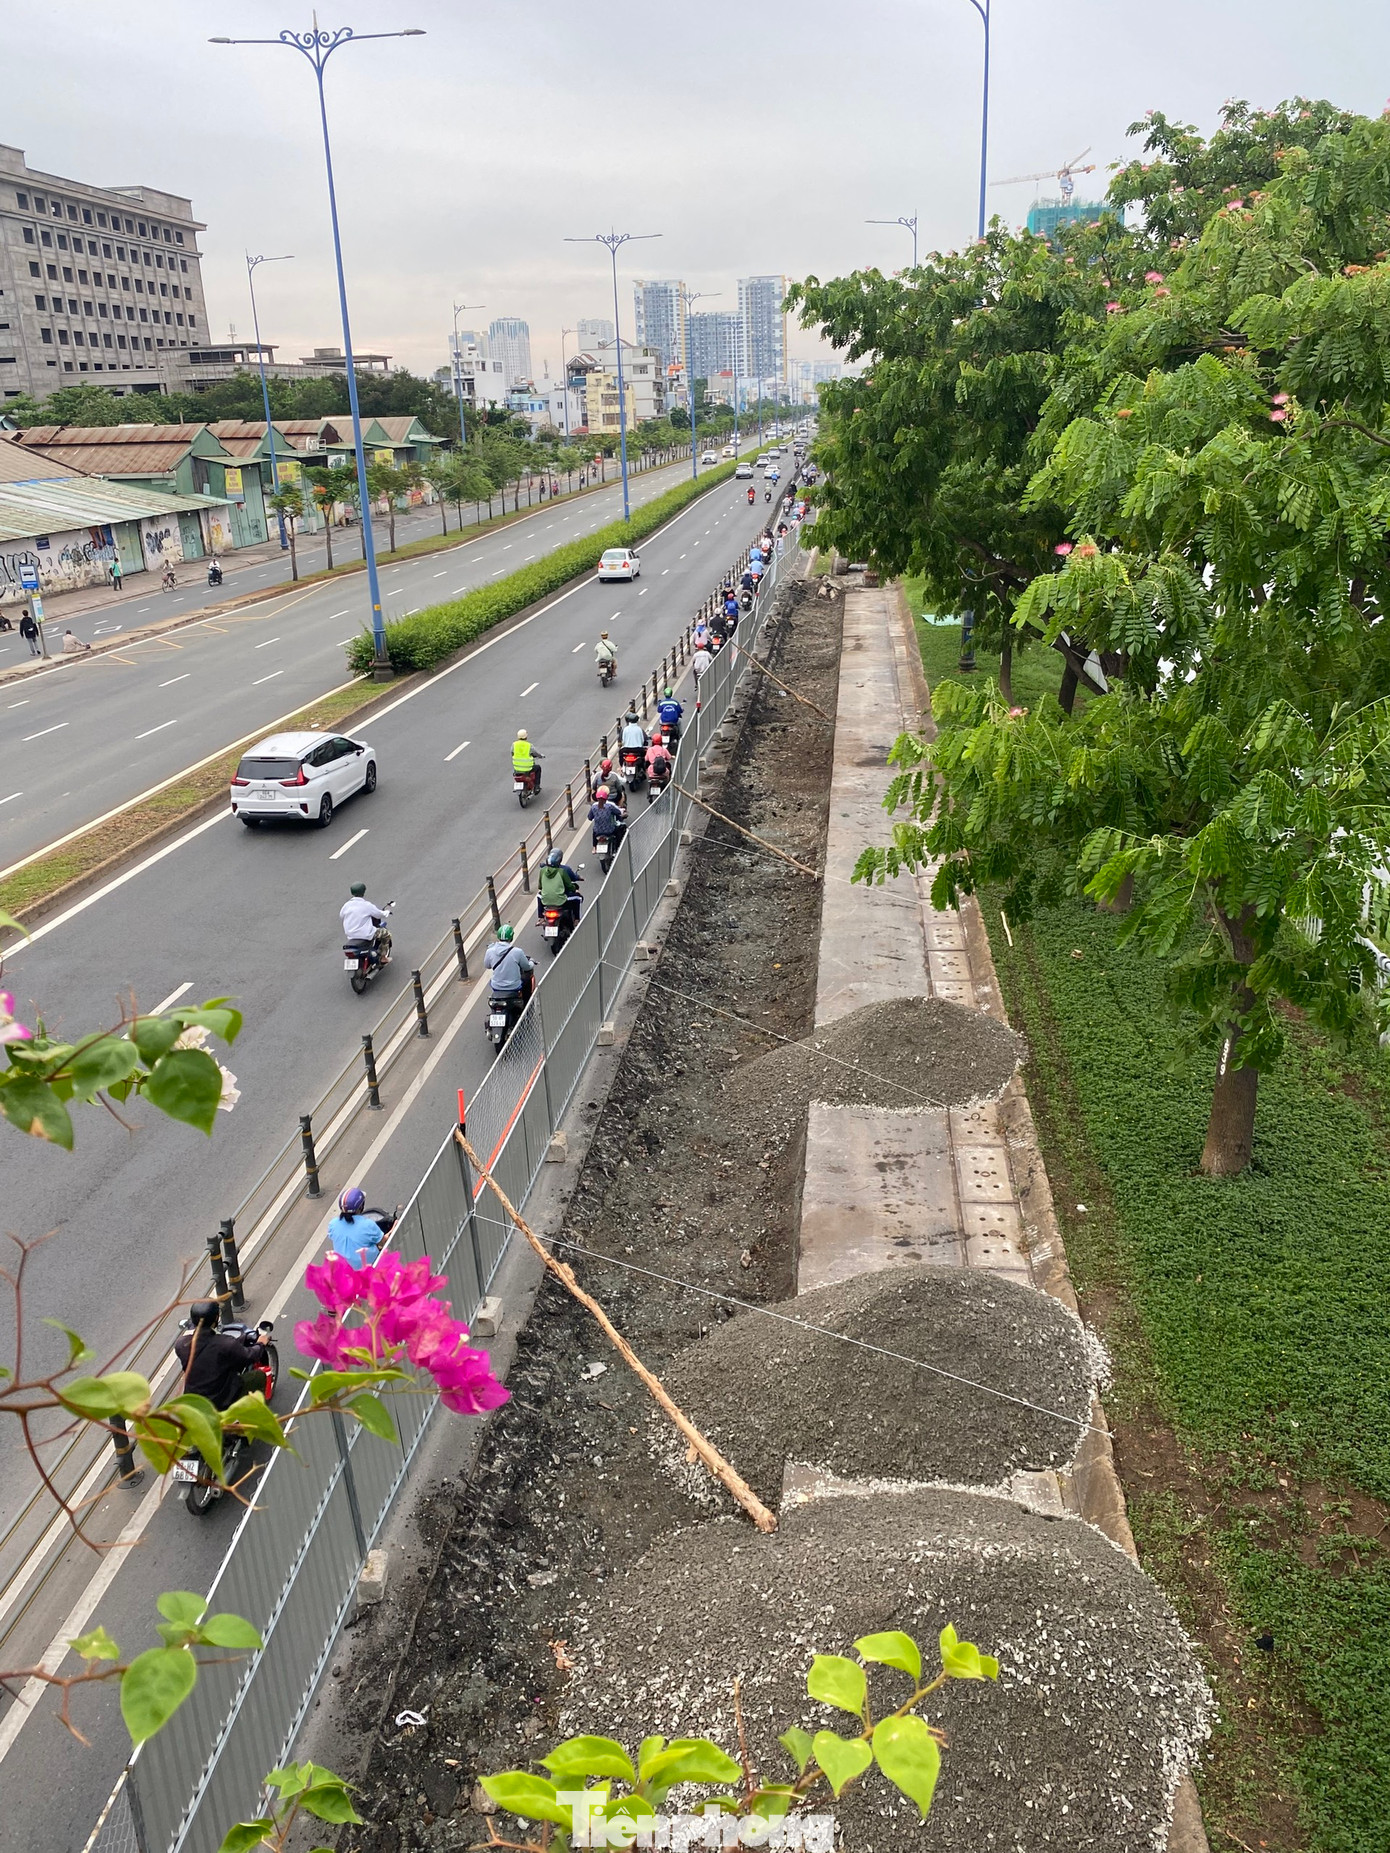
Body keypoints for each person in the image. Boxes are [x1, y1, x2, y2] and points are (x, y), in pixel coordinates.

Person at [174, 1302, 273, 1412]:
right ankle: (257, 1413)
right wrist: (260, 1344)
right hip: (221, 1399)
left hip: (194, 1399)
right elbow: (250, 1355)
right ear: (216, 1318)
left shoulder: (181, 1344)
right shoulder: (225, 1344)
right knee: (259, 1376)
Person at [328, 1187, 397, 1267]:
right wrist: (394, 1226)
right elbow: (384, 1242)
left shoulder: (332, 1224)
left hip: (343, 1270)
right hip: (369, 1269)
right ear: (361, 1206)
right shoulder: (367, 1225)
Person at [484, 922, 535, 1003]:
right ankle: (527, 1004)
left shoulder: (490, 951)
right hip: (514, 987)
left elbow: (487, 965)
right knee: (528, 977)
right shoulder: (517, 952)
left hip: (496, 986)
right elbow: (527, 967)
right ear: (511, 937)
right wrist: (532, 962)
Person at [537, 847, 582, 925]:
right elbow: (569, 886)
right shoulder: (562, 871)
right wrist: (575, 889)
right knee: (578, 897)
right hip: (560, 901)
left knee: (538, 895)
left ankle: (541, 918)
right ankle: (576, 920)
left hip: (546, 901)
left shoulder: (542, 870)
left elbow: (540, 887)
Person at [340, 881, 388, 948]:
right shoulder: (366, 905)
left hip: (350, 935)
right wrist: (386, 912)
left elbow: (341, 916)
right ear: (363, 892)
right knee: (386, 934)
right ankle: (383, 956)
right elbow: (378, 914)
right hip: (365, 934)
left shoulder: (346, 905)